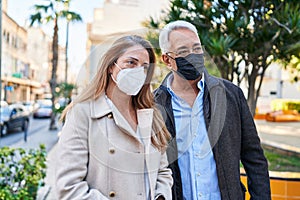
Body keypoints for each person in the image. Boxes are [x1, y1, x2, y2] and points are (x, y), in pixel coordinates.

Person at [154, 20, 271, 199]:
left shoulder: (231, 95)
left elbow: (254, 158)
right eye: (183, 51)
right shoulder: (153, 105)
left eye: (197, 48)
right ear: (167, 60)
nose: (193, 55)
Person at [55, 35, 173, 200]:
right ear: (111, 66)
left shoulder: (151, 116)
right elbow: (69, 188)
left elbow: (162, 172)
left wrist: (161, 197)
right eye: (131, 62)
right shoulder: (82, 113)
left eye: (144, 67)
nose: (138, 71)